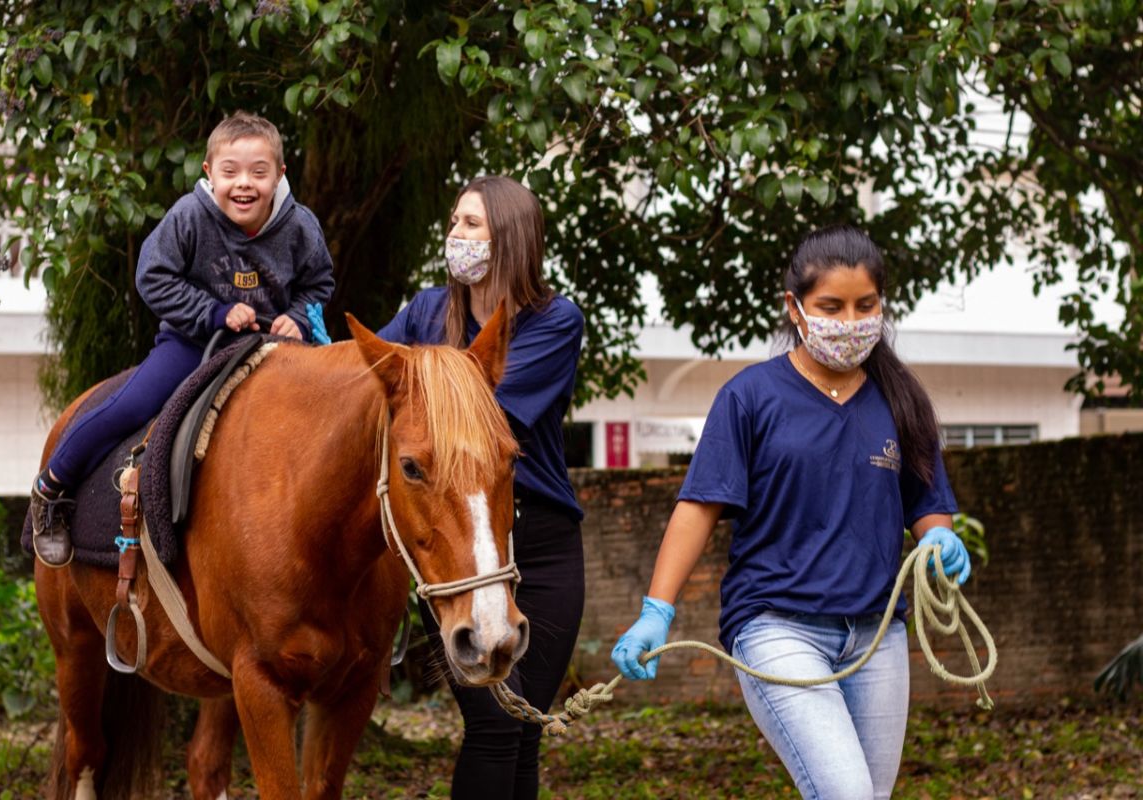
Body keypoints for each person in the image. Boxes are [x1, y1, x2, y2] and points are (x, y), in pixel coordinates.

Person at [611, 225, 971, 800]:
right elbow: (699, 506)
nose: (850, 322)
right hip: (777, 626)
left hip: (877, 636)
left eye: (866, 306)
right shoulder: (750, 397)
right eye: (831, 306)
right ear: (795, 308)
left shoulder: (901, 401)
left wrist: (938, 543)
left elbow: (928, 506)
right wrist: (657, 610)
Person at [29, 111, 335, 567]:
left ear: (280, 175)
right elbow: (152, 277)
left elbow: (319, 283)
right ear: (210, 173)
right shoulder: (190, 216)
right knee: (130, 407)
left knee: (331, 416)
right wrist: (213, 312)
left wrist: (297, 319)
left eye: (258, 172)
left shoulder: (300, 226)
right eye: (230, 172)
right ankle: (51, 490)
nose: (244, 184)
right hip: (193, 343)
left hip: (274, 349)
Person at [378, 176, 584, 799]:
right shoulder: (424, 312)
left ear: (511, 238)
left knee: (523, 731)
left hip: (541, 540)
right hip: (457, 545)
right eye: (454, 222)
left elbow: (487, 418)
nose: (455, 235)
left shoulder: (555, 321)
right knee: (495, 722)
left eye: (472, 224)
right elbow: (366, 386)